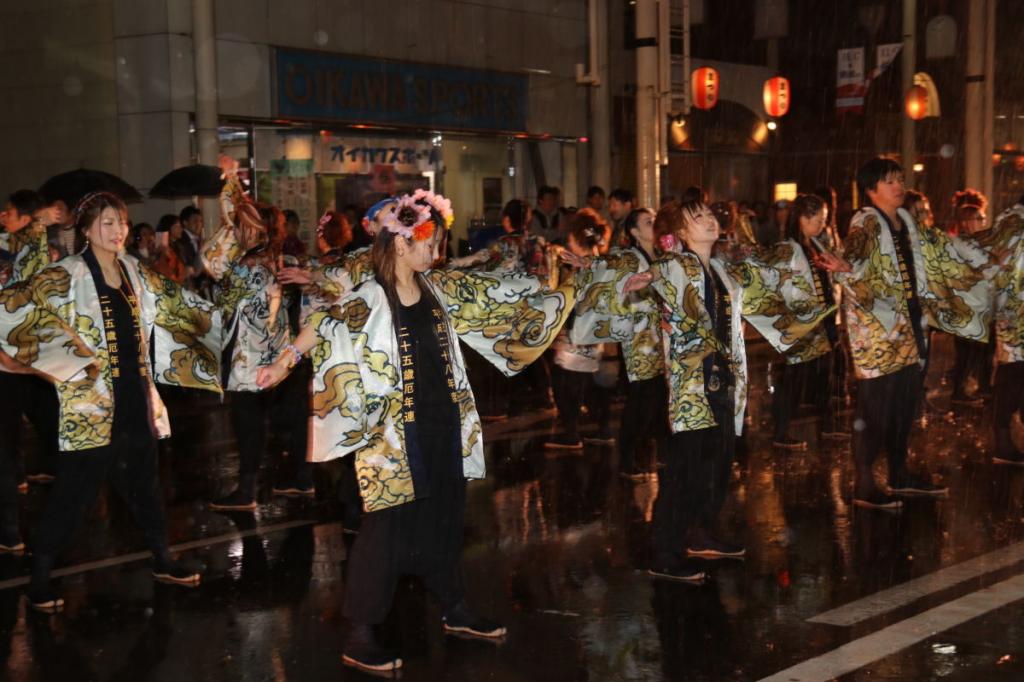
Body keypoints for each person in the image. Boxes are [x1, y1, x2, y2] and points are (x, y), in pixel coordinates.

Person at [256, 190, 575, 673]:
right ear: (401, 244)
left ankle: (454, 607)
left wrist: (576, 281)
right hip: (392, 434)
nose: (436, 251)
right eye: (429, 242)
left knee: (446, 517)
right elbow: (324, 321)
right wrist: (284, 361)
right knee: (385, 529)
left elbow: (503, 295)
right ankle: (360, 633)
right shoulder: (370, 293)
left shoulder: (438, 288)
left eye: (439, 242)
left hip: (444, 422)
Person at [0, 191, 221, 612]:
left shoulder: (134, 271)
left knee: (146, 486)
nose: (118, 230)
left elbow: (180, 308)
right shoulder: (65, 274)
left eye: (120, 222)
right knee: (74, 492)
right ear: (85, 230)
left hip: (135, 399)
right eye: (107, 223)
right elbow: (12, 306)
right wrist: (38, 363)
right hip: (90, 404)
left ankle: (162, 559)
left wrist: (233, 321)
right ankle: (40, 579)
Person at [622, 200, 837, 581]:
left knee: (718, 463)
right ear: (682, 233)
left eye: (708, 215)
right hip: (692, 382)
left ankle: (700, 531)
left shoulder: (722, 270)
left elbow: (767, 279)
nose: (708, 221)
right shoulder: (680, 263)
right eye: (697, 218)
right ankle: (664, 550)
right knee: (686, 468)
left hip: (723, 379)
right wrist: (647, 279)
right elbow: (662, 272)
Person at [838, 158, 991, 509]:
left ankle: (899, 471)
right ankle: (864, 482)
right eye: (890, 180)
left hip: (909, 324)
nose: (898, 185)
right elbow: (857, 252)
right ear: (871, 189)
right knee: (876, 406)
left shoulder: (905, 221)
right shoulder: (867, 221)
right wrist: (845, 265)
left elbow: (939, 252)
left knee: (905, 403)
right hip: (878, 332)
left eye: (900, 179)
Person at [202, 167, 291, 511]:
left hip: (249, 360)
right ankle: (258, 484)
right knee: (256, 425)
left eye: (241, 225)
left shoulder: (250, 266)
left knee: (249, 426)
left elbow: (212, 264)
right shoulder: (265, 259)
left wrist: (230, 218)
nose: (235, 230)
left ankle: (247, 490)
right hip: (262, 355)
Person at [0, 189, 57, 552]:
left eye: (8, 212)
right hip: (27, 361)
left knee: (6, 445)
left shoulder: (28, 253)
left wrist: (39, 219)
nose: (2, 217)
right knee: (15, 437)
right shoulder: (27, 250)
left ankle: (10, 532)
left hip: (13, 361)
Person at [770, 194, 845, 447]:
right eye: (819, 219)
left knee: (821, 374)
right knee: (793, 379)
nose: (822, 225)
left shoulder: (808, 244)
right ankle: (781, 431)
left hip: (815, 323)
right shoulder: (790, 247)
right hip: (802, 325)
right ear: (803, 218)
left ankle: (826, 424)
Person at [546, 209, 609, 450]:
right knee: (587, 381)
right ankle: (601, 429)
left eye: (571, 237)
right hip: (593, 333)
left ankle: (571, 433)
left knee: (566, 381)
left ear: (577, 238)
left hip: (579, 332)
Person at [987, 195, 1024, 466]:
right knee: (1012, 374)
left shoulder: (1010, 219)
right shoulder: (1013, 221)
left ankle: (1004, 440)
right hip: (1015, 310)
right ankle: (1001, 442)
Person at [948, 201, 992, 405]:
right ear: (966, 222)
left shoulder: (976, 243)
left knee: (977, 351)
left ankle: (970, 387)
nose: (983, 222)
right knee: (967, 351)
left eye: (983, 218)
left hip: (978, 306)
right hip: (968, 307)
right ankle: (959, 391)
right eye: (979, 218)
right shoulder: (962, 244)